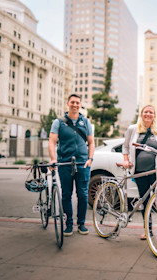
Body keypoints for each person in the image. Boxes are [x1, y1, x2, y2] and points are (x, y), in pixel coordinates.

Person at [122, 105, 157, 242]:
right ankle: (148, 231)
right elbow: (126, 146)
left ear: (154, 115)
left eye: (151, 112)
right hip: (140, 172)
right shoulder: (133, 129)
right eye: (146, 112)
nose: (148, 114)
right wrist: (126, 160)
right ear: (141, 114)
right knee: (145, 202)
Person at [48, 94, 95, 236]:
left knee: (83, 194)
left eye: (78, 103)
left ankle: (81, 224)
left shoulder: (85, 122)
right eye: (73, 102)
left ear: (80, 105)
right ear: (67, 103)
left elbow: (91, 143)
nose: (75, 105)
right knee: (66, 194)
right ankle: (68, 224)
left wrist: (90, 159)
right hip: (65, 163)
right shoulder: (59, 122)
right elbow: (52, 142)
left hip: (82, 163)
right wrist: (53, 159)